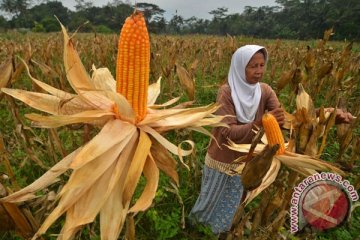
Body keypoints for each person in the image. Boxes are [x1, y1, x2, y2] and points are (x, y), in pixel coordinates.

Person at [189, 45, 354, 237]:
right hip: (224, 159)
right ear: (240, 67)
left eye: (262, 65)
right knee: (211, 199)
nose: (259, 71)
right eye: (253, 66)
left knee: (236, 200)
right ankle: (198, 231)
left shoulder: (265, 91)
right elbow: (229, 133)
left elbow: (289, 120)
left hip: (250, 161)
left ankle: (221, 231)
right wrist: (260, 122)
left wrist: (327, 116)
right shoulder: (226, 93)